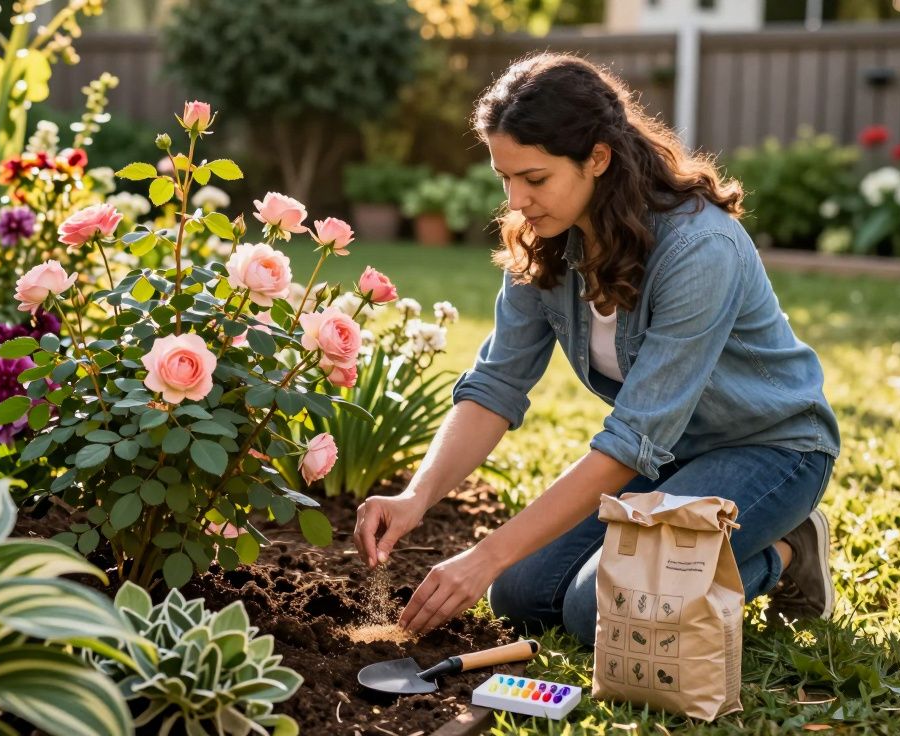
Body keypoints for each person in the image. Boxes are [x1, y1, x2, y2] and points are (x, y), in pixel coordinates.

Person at [353, 53, 840, 645]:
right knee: (520, 595)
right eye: (505, 178)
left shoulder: (700, 248)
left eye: (535, 179)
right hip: (671, 459)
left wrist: (483, 554)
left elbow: (633, 438)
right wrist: (416, 497)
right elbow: (495, 386)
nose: (517, 200)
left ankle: (790, 550)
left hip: (770, 450)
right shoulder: (546, 242)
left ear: (598, 158)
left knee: (599, 612)